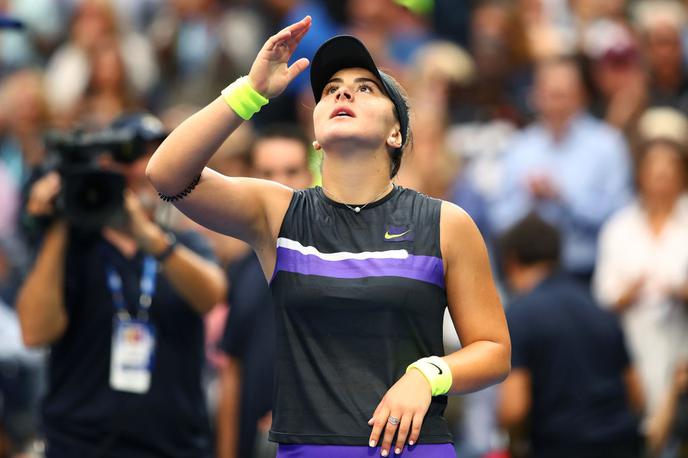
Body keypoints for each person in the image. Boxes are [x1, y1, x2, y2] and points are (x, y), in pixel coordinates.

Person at [147, 17, 510, 458]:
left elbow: (493, 350)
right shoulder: (278, 212)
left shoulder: (445, 222)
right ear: (316, 137)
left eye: (365, 88)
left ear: (396, 132)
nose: (342, 92)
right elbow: (166, 175)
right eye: (331, 89)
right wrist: (250, 91)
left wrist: (428, 374)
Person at [16, 113, 227, 458]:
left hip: (173, 447)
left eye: (155, 154)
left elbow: (212, 296)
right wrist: (60, 221)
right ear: (103, 166)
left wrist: (151, 239)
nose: (142, 168)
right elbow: (35, 332)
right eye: (129, 156)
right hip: (78, 446)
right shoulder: (71, 249)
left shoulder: (183, 245)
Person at [498, 214, 644, 458]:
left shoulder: (519, 315)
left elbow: (514, 409)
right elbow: (638, 396)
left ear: (511, 262)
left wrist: (514, 445)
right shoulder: (599, 308)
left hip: (559, 446)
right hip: (623, 443)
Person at [216, 125, 313, 458]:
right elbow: (232, 368)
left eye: (290, 171)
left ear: (310, 175)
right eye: (267, 173)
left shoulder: (338, 261)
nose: (279, 182)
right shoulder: (242, 267)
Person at [490, 57, 632, 281]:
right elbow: (500, 217)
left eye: (563, 95)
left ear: (581, 96)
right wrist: (530, 202)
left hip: (587, 271)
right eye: (549, 95)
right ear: (536, 97)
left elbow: (620, 217)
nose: (556, 104)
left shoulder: (607, 145)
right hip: (530, 275)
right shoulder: (519, 147)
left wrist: (564, 198)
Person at [594, 138, 688, 426]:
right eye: (654, 172)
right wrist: (630, 292)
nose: (661, 180)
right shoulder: (619, 227)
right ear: (640, 176)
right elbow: (604, 296)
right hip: (633, 342)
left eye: (669, 172)